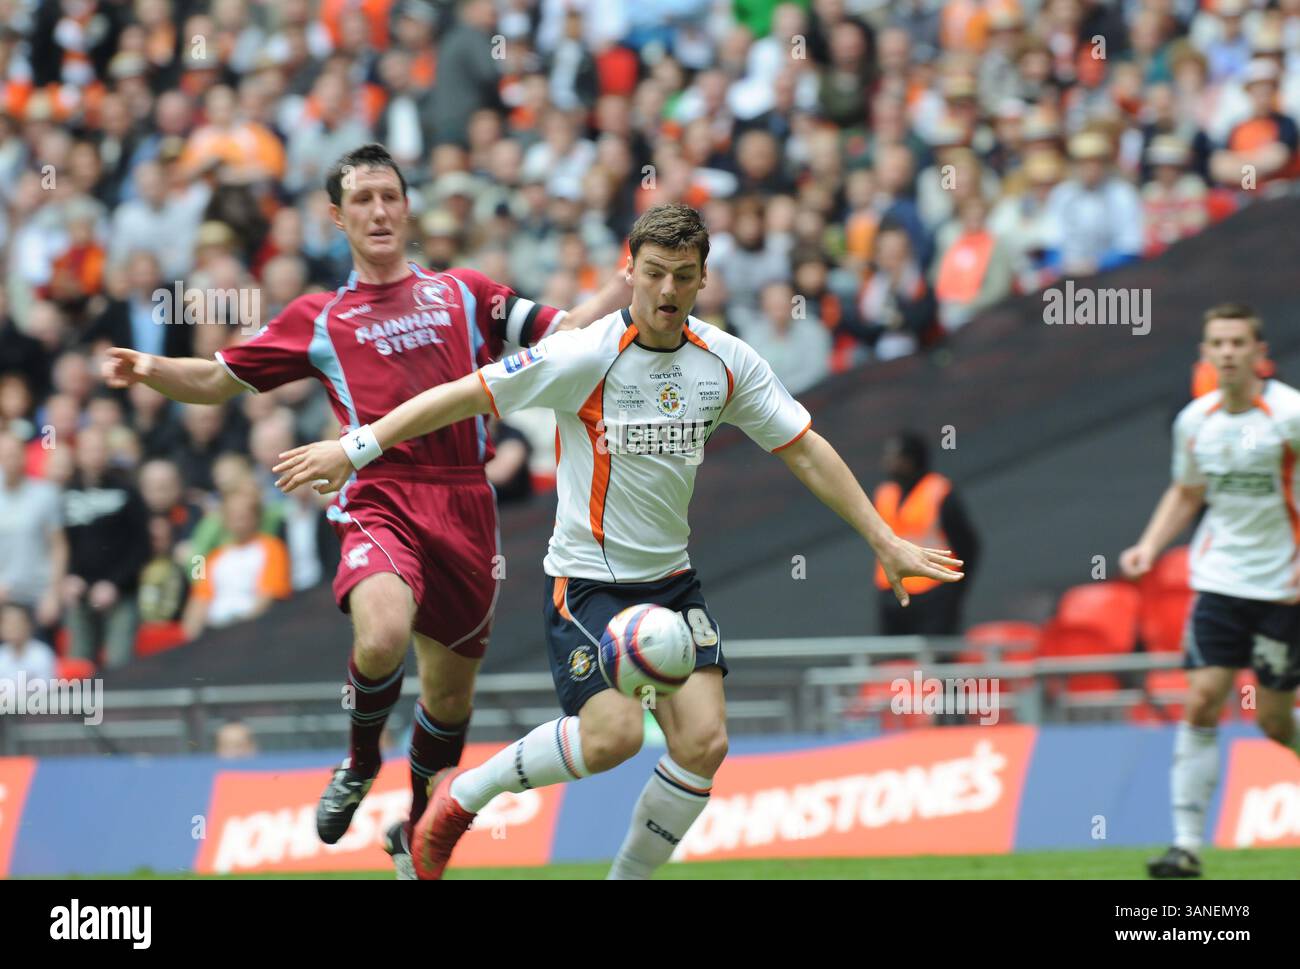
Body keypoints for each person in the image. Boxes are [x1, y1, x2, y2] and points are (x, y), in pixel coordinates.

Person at [274, 203, 964, 880]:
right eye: (655, 272)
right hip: (589, 585)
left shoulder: (726, 362)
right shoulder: (583, 355)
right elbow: (462, 394)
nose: (667, 291)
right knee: (615, 738)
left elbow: (805, 449)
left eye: (684, 276)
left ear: (703, 280)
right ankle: (458, 799)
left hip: (671, 582)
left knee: (705, 742)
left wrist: (883, 538)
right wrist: (357, 446)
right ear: (630, 270)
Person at [100, 143, 628, 878]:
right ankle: (357, 760)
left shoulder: (465, 290)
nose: (378, 210)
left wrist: (624, 286)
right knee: (380, 632)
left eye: (388, 195)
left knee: (447, 699)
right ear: (337, 219)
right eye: (362, 201)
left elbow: (563, 331)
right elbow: (221, 379)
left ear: (406, 207)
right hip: (377, 491)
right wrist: (152, 368)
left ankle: (416, 828)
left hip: (466, 504)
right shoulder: (321, 316)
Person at [1120, 303, 1300, 879]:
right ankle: (1186, 845)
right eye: (1215, 343)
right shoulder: (1195, 422)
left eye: (1236, 343)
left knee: (1273, 721)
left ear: (1257, 351)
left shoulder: (1290, 415)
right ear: (1205, 353)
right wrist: (1149, 544)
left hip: (1283, 588)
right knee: (1202, 698)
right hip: (1218, 582)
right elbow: (1187, 492)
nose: (1226, 352)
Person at [874, 431, 980, 639]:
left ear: (911, 460)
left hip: (934, 593)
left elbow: (968, 545)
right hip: (892, 591)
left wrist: (954, 591)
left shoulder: (939, 492)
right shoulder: (885, 494)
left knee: (935, 663)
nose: (888, 463)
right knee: (893, 664)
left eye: (895, 457)